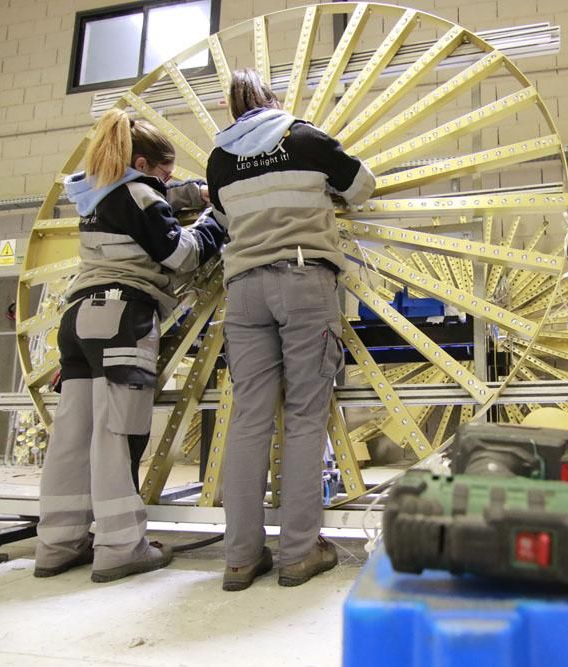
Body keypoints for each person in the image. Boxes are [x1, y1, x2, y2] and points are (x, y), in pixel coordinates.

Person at [34, 109, 226, 582]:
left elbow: (147, 201)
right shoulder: (141, 195)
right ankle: (121, 547)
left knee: (72, 436)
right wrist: (212, 219)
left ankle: (57, 543)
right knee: (118, 433)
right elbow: (180, 255)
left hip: (78, 319)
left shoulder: (93, 195)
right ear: (142, 163)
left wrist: (179, 192)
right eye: (164, 173)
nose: (167, 183)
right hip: (122, 317)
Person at [206, 69, 375, 591]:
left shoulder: (219, 159)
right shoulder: (302, 137)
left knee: (249, 420)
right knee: (304, 416)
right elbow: (363, 187)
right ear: (272, 99)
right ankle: (299, 553)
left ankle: (239, 558)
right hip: (303, 281)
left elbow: (221, 214)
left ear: (234, 109)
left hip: (244, 290)